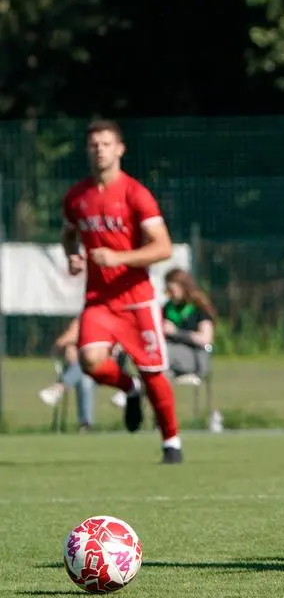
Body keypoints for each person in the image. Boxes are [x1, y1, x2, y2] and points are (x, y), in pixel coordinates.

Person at [61, 119, 183, 464]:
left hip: (136, 299)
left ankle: (171, 442)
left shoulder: (135, 194)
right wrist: (71, 256)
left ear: (120, 149)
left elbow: (163, 248)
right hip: (99, 300)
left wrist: (119, 257)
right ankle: (129, 390)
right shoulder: (77, 197)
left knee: (153, 372)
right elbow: (68, 234)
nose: (99, 150)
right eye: (93, 145)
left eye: (105, 144)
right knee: (89, 360)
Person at [38, 317, 96, 431]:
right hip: (85, 369)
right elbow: (61, 342)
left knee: (86, 362)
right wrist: (70, 345)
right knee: (85, 380)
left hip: (105, 366)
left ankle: (59, 388)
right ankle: (85, 425)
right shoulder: (83, 320)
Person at [161, 268, 215, 380]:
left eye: (172, 290)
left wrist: (176, 332)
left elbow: (205, 339)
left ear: (183, 287)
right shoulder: (167, 308)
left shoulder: (198, 308)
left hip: (194, 357)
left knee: (164, 352)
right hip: (170, 354)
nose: (169, 294)